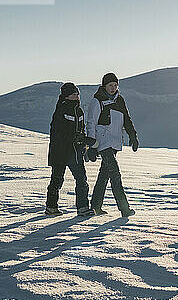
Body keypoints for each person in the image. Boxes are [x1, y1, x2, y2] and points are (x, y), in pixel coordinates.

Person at [85, 72, 138, 217]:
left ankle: (95, 205)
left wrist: (132, 136)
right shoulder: (98, 100)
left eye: (115, 85)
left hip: (115, 142)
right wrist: (91, 143)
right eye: (110, 85)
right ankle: (124, 208)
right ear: (104, 86)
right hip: (103, 141)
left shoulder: (119, 100)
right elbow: (91, 123)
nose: (113, 88)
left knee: (105, 174)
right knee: (115, 174)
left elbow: (127, 119)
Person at [45, 82, 94, 217]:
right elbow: (58, 131)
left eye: (77, 94)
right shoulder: (61, 110)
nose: (77, 96)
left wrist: (83, 140)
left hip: (75, 151)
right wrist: (75, 137)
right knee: (57, 180)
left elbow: (81, 129)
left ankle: (83, 208)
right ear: (66, 96)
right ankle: (51, 207)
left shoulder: (79, 110)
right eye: (73, 94)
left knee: (81, 179)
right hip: (60, 151)